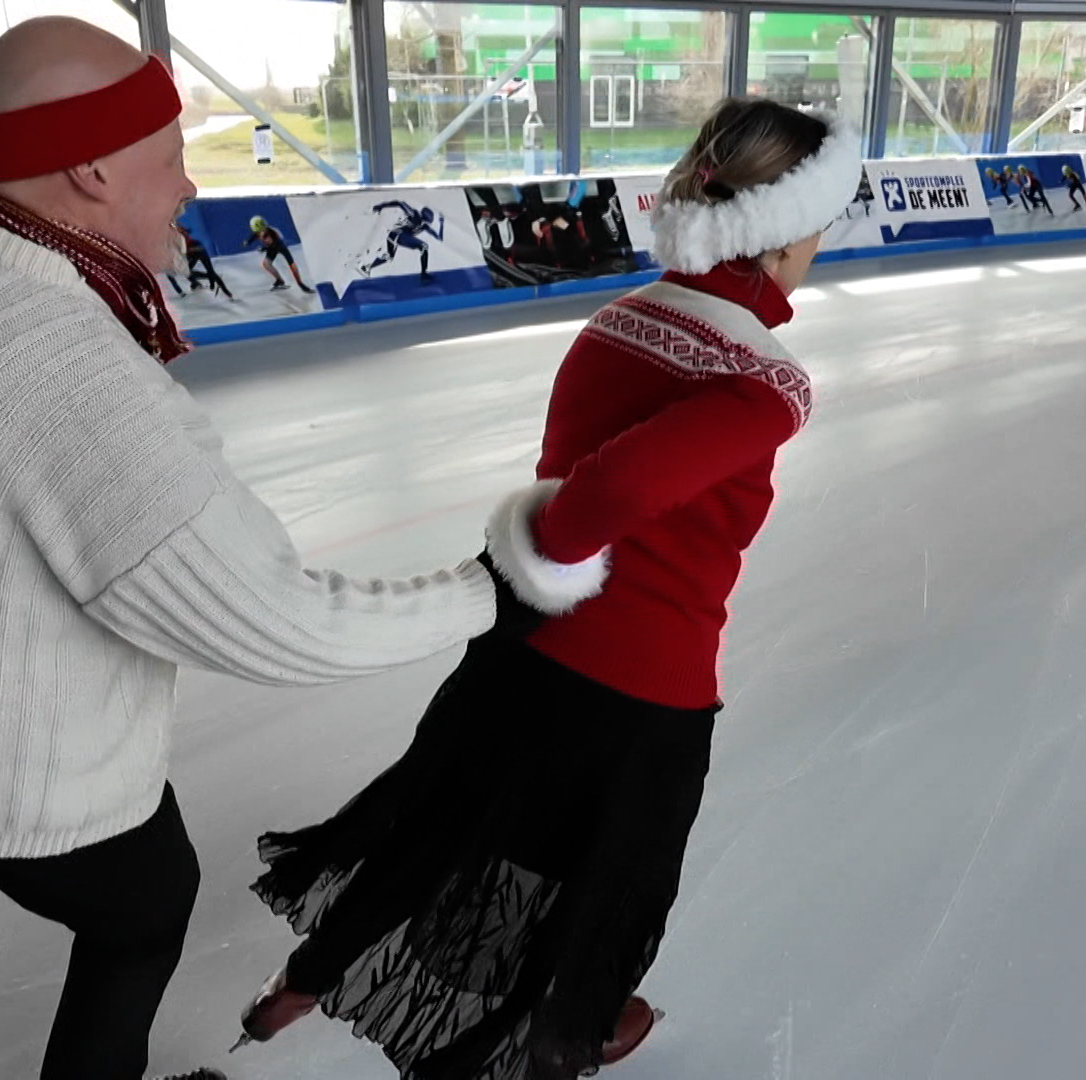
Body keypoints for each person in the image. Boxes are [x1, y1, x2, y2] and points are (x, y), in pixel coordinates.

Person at [0, 18, 561, 1080]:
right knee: (144, 908)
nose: (190, 188)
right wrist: (489, 593)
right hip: (4, 754)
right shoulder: (64, 372)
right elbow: (274, 616)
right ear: (92, 166)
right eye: (171, 159)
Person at [236, 96, 860, 1080]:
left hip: (518, 644)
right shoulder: (763, 383)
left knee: (438, 822)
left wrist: (538, 572)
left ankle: (303, 983)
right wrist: (559, 545)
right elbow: (608, 491)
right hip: (643, 689)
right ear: (787, 234)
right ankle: (561, 1033)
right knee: (612, 884)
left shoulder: (621, 319)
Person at [359, 199, 445, 282]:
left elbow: (439, 238)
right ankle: (424, 274)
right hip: (399, 234)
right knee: (423, 246)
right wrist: (381, 206)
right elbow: (399, 203)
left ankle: (366, 268)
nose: (425, 224)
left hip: (394, 236)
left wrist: (442, 223)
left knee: (389, 257)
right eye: (426, 221)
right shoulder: (415, 215)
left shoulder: (424, 226)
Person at [240, 214, 316, 293]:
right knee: (266, 264)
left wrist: (264, 248)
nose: (263, 231)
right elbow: (254, 236)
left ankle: (301, 284)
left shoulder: (272, 233)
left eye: (264, 228)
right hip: (271, 247)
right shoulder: (258, 232)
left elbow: (274, 246)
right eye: (260, 230)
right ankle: (279, 281)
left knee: (291, 264)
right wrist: (248, 242)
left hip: (280, 246)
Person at [179, 225, 233, 297]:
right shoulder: (174, 231)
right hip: (192, 250)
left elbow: (187, 233)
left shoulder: (176, 230)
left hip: (196, 248)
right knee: (186, 271)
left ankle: (227, 292)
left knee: (210, 271)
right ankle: (197, 283)